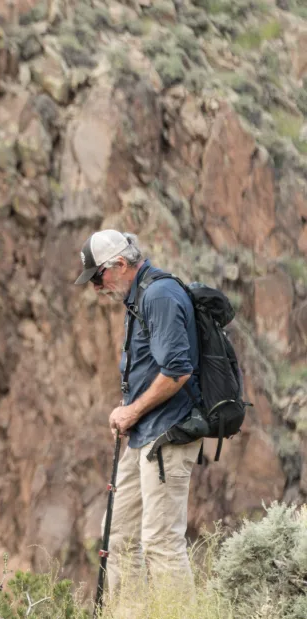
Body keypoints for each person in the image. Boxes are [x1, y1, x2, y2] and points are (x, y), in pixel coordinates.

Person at [74, 230, 200, 594]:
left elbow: (177, 370)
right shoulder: (137, 297)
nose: (97, 287)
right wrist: (130, 413)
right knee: (119, 539)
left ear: (121, 265)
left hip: (167, 434)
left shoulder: (159, 295)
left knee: (161, 544)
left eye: (99, 277)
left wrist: (131, 412)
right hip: (143, 432)